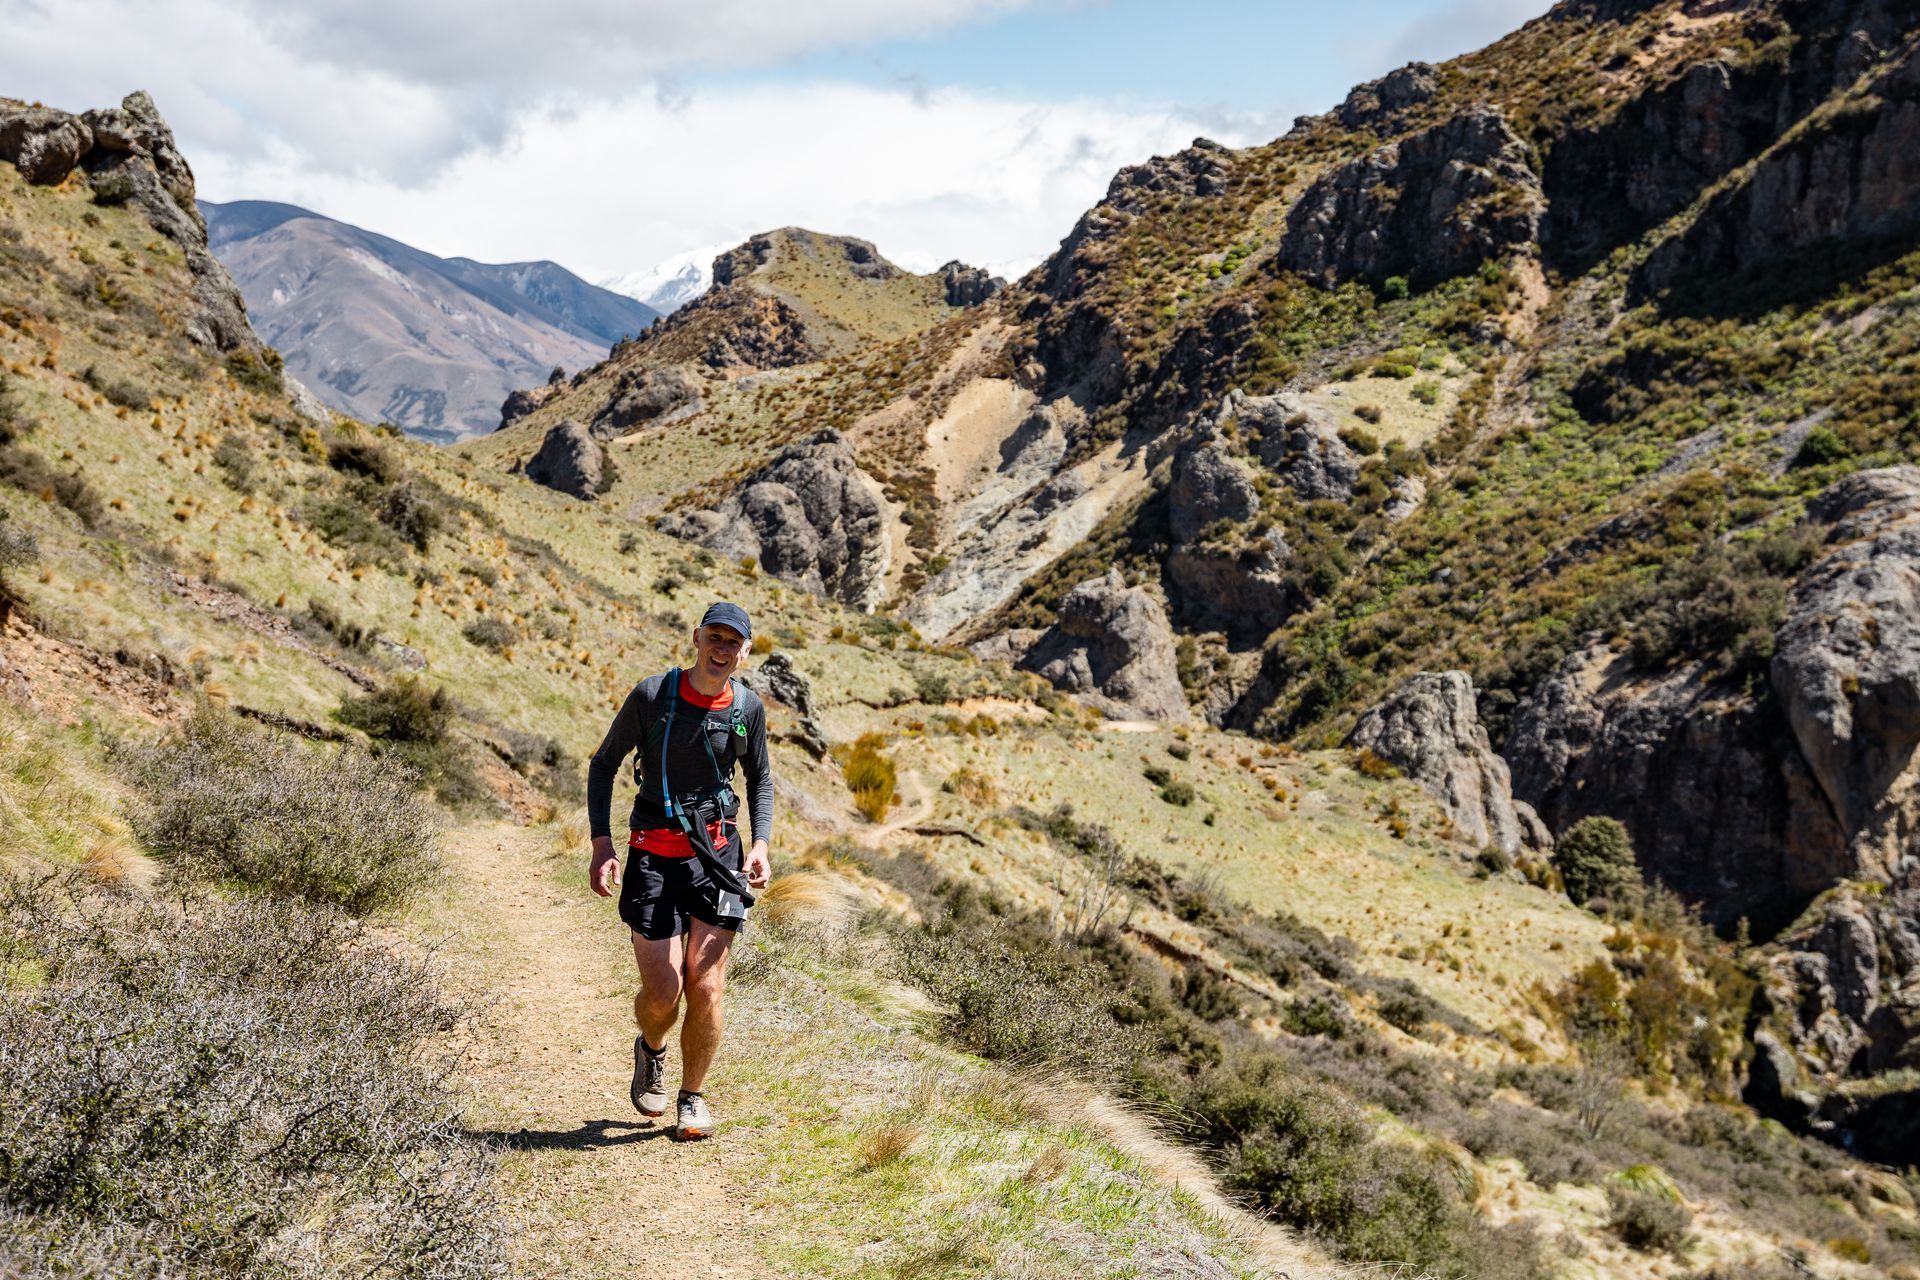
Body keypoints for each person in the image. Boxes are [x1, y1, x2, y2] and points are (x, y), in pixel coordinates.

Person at [586, 601, 774, 1140]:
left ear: (745, 651)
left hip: (716, 859)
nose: (722, 650)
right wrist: (603, 845)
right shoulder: (653, 696)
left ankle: (692, 1097)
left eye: (733, 643)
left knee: (706, 985)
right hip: (652, 855)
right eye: (714, 637)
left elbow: (760, 779)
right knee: (664, 993)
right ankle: (652, 1048)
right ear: (696, 637)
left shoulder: (746, 708)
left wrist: (759, 845)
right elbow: (604, 765)